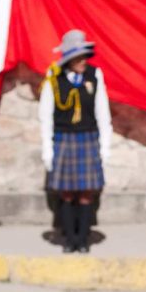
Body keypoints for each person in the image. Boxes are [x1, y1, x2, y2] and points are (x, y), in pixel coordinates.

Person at [39, 30, 112, 253]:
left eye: (85, 56)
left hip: (88, 138)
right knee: (68, 192)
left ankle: (83, 238)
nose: (83, 61)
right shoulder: (54, 78)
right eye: (79, 57)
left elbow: (103, 113)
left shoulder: (94, 76)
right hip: (64, 139)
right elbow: (45, 117)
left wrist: (105, 147)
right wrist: (47, 150)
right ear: (69, 59)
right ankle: (70, 238)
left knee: (86, 191)